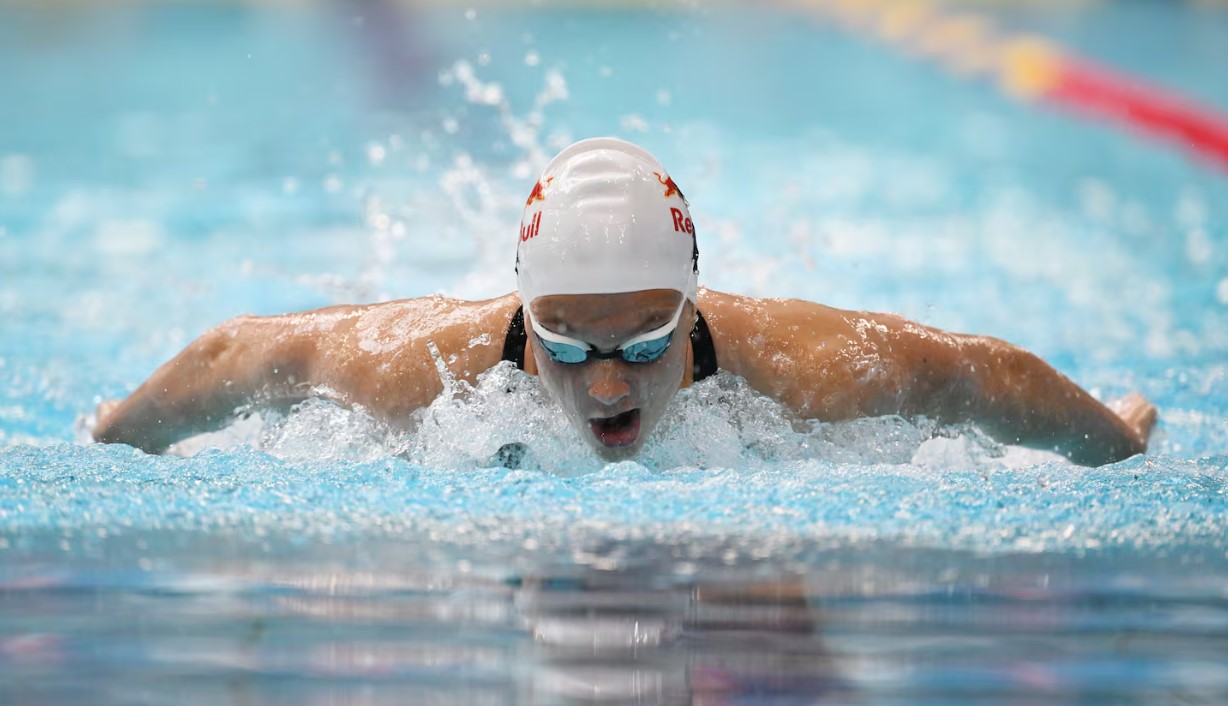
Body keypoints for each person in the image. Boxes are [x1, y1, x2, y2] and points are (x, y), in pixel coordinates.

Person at [92, 137, 1157, 465]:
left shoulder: (809, 371)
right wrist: (109, 438)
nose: (605, 383)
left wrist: (1115, 441)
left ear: (692, 314)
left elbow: (980, 374)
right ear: (524, 316)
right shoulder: (417, 371)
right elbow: (243, 354)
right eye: (566, 344)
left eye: (646, 343)